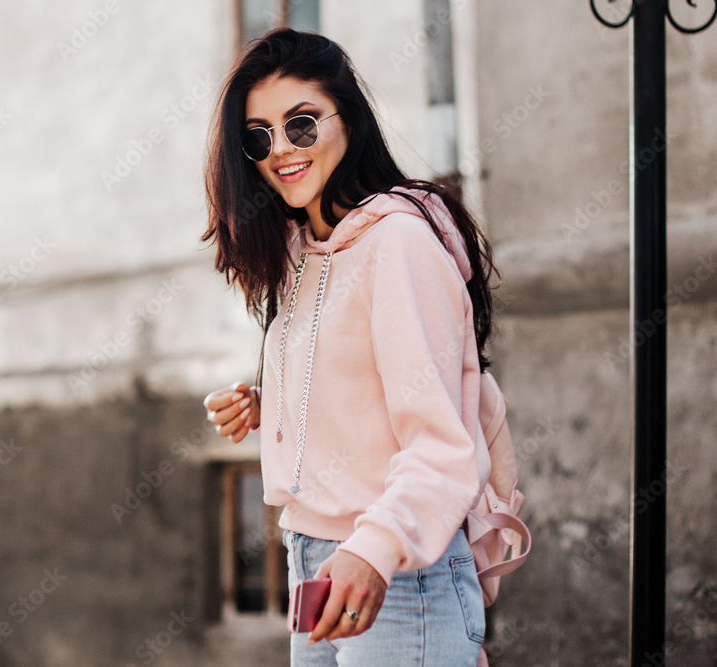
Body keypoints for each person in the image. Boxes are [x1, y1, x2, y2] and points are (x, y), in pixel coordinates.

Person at [200, 27, 503, 666]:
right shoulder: (297, 254)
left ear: (349, 118)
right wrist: (269, 400)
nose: (280, 148)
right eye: (259, 136)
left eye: (301, 124)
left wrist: (375, 549)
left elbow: (440, 444)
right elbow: (361, 375)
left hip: (393, 574)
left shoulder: (397, 242)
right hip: (310, 559)